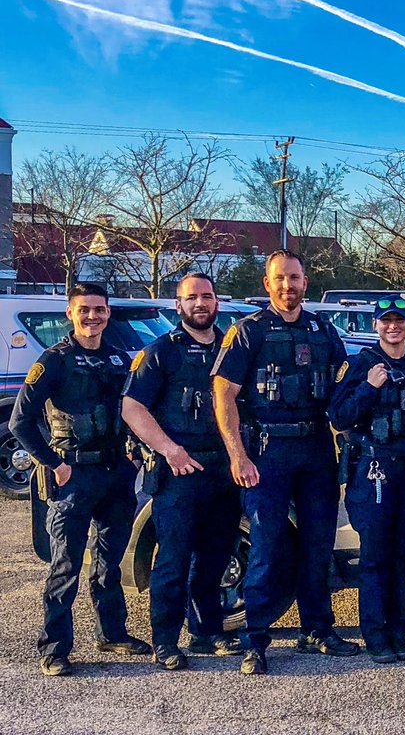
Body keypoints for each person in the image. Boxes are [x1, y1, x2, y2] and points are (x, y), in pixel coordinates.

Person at [212, 250, 360, 675]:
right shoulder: (247, 332)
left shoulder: (322, 329)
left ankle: (316, 630)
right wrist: (237, 455)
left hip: (315, 449)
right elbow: (223, 394)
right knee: (266, 546)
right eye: (280, 279)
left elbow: (343, 388)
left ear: (305, 282)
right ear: (267, 283)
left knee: (317, 545)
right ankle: (254, 640)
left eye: (294, 278)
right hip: (266, 453)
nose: (287, 286)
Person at [10, 282, 150, 676]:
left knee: (109, 561)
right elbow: (20, 421)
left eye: (100, 310)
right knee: (65, 565)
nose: (93, 316)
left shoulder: (119, 359)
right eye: (84, 309)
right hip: (72, 475)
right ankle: (54, 649)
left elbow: (132, 413)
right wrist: (53, 463)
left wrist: (136, 454)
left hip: (114, 474)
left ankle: (113, 633)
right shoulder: (54, 361)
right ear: (70, 313)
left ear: (108, 314)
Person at [122, 272, 243, 670]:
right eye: (192, 298)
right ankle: (166, 641)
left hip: (222, 469)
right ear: (179, 305)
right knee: (173, 561)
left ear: (216, 302)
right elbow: (132, 408)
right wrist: (169, 450)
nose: (200, 304)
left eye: (207, 297)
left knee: (215, 556)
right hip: (179, 472)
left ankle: (207, 633)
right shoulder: (161, 352)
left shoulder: (230, 347)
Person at [328, 294, 405, 664]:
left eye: (400, 320)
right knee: (375, 556)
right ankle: (375, 636)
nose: (393, 326)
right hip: (375, 470)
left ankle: (399, 632)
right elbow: (339, 417)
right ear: (375, 325)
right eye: (385, 321)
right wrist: (368, 388)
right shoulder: (361, 365)